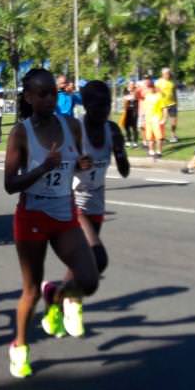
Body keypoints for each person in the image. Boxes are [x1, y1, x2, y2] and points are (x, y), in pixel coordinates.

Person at [4, 68, 98, 379]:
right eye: (41, 94)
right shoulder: (20, 133)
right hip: (31, 217)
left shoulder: (71, 125)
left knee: (89, 279)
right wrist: (43, 167)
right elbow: (10, 184)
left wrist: (82, 165)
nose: (48, 99)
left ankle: (56, 297)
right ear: (28, 97)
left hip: (64, 214)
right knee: (29, 291)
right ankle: (19, 347)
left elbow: (78, 165)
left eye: (53, 93)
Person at [47, 79, 129, 294]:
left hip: (96, 203)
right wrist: (75, 164)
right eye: (98, 105)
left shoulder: (112, 129)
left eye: (107, 104)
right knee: (97, 258)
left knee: (81, 266)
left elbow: (124, 171)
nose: (104, 110)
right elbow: (56, 168)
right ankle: (62, 298)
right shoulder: (75, 130)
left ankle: (57, 298)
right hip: (72, 200)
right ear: (87, 105)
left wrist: (120, 151)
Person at [142, 79, 167, 159]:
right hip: (148, 119)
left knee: (159, 137)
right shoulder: (147, 96)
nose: (149, 89)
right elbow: (145, 109)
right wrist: (143, 119)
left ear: (153, 87)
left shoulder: (159, 96)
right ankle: (151, 151)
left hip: (156, 118)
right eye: (148, 87)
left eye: (150, 87)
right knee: (149, 137)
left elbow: (164, 108)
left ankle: (159, 152)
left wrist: (164, 119)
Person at [155, 67, 179, 142]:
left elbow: (174, 92)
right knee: (162, 122)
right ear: (163, 74)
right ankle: (162, 136)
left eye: (169, 73)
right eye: (166, 73)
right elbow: (156, 92)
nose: (168, 75)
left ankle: (173, 135)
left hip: (172, 104)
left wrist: (176, 102)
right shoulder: (158, 82)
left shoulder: (172, 82)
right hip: (162, 105)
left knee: (174, 121)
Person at [121, 81, 139, 147]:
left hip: (135, 110)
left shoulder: (137, 90)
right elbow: (125, 98)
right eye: (130, 84)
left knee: (134, 126)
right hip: (127, 110)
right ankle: (128, 140)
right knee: (126, 125)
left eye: (133, 84)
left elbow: (135, 97)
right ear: (128, 85)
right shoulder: (125, 90)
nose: (131, 86)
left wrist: (132, 95)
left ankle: (135, 141)